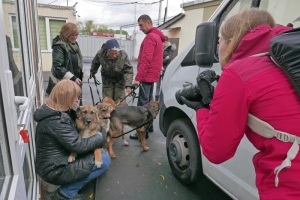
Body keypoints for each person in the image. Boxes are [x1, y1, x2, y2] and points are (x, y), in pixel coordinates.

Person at [181, 8, 298, 199]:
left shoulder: (239, 72)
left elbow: (216, 151)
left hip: (289, 183)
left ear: (230, 41)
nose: (218, 47)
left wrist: (202, 109)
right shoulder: (288, 57)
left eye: (219, 41)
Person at [34, 80, 111, 200]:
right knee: (104, 160)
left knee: (99, 154)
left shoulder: (57, 112)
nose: (77, 100)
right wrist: (99, 137)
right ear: (65, 97)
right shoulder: (56, 120)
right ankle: (65, 193)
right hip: (54, 170)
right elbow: (78, 146)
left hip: (57, 161)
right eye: (75, 97)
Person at [129, 14, 166, 140]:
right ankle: (149, 127)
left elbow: (146, 59)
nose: (140, 28)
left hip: (146, 76)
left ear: (148, 23)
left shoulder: (150, 37)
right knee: (150, 104)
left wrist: (138, 77)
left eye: (141, 25)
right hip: (152, 76)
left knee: (142, 107)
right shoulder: (158, 37)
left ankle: (142, 132)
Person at [46, 22, 83, 98]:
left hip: (73, 82)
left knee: (71, 105)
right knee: (62, 106)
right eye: (72, 35)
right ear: (65, 34)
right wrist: (73, 78)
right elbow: (58, 67)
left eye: (76, 35)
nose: (75, 37)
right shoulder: (59, 46)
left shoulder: (74, 44)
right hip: (61, 84)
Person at [155, 35, 176, 101]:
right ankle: (156, 98)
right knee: (158, 84)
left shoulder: (171, 48)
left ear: (168, 41)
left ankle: (163, 98)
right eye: (162, 42)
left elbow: (168, 59)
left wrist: (161, 60)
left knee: (164, 84)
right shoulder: (160, 47)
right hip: (159, 68)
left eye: (165, 42)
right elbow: (156, 57)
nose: (163, 43)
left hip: (166, 69)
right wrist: (162, 59)